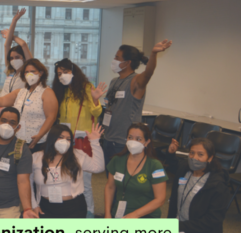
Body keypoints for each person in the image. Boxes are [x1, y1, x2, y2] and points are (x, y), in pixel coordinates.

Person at [101, 40, 173, 167]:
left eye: (117, 57)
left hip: (125, 141)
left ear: (127, 63)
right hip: (108, 138)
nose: (114, 60)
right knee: (111, 177)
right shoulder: (114, 81)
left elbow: (148, 73)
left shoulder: (135, 81)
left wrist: (154, 54)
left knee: (123, 179)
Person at [52, 58, 108, 217]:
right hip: (64, 140)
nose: (62, 75)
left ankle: (88, 213)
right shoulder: (62, 90)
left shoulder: (86, 88)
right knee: (67, 178)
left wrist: (96, 99)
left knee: (85, 182)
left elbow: (97, 113)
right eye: (59, 73)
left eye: (65, 72)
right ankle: (69, 210)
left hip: (83, 140)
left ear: (73, 71)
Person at [167, 138, 231, 233]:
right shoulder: (185, 169)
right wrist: (171, 154)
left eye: (200, 154)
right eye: (191, 153)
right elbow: (173, 167)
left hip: (201, 231)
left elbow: (212, 221)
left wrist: (179, 226)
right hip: (179, 224)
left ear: (210, 158)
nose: (194, 158)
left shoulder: (217, 185)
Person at [0, 59, 58, 153]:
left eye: (32, 71)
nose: (29, 74)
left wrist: (39, 136)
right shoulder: (21, 92)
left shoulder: (47, 92)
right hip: (17, 139)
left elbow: (51, 117)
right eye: (26, 72)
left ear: (41, 73)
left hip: (36, 140)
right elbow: (2, 101)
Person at [30, 123, 105, 218]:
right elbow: (28, 182)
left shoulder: (77, 155)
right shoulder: (36, 157)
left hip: (74, 207)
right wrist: (34, 205)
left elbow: (99, 167)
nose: (64, 141)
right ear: (51, 138)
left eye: (68, 139)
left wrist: (94, 142)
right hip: (45, 207)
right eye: (60, 137)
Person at [104, 123, 167, 219]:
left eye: (138, 139)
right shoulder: (116, 160)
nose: (133, 142)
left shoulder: (155, 166)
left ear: (146, 142)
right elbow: (110, 187)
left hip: (146, 216)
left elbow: (160, 199)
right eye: (130, 137)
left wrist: (135, 215)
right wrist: (107, 213)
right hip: (119, 214)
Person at [0, 8, 33, 96]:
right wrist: (13, 21)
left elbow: (23, 45)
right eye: (11, 58)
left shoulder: (28, 72)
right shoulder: (10, 70)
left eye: (17, 57)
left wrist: (12, 36)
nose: (14, 60)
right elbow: (6, 45)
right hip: (3, 105)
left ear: (24, 58)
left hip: (17, 107)